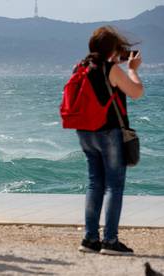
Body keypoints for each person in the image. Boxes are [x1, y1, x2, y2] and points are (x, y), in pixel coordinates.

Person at [76, 26, 143, 256]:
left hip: (85, 132)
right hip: (108, 132)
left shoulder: (82, 67)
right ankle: (110, 241)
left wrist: (117, 62)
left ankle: (90, 238)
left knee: (95, 183)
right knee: (114, 185)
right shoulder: (111, 69)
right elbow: (136, 92)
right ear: (112, 50)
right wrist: (133, 70)